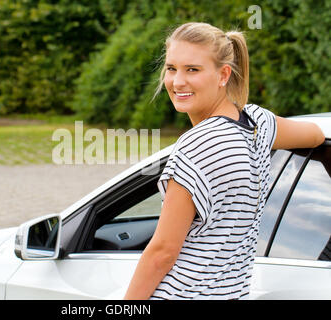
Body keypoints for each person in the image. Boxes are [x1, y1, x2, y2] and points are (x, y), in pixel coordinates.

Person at [124, 22, 325, 300]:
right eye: (172, 68)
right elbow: (316, 135)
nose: (177, 81)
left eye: (192, 69)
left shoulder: (196, 146)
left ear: (223, 74)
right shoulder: (258, 123)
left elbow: (163, 252)